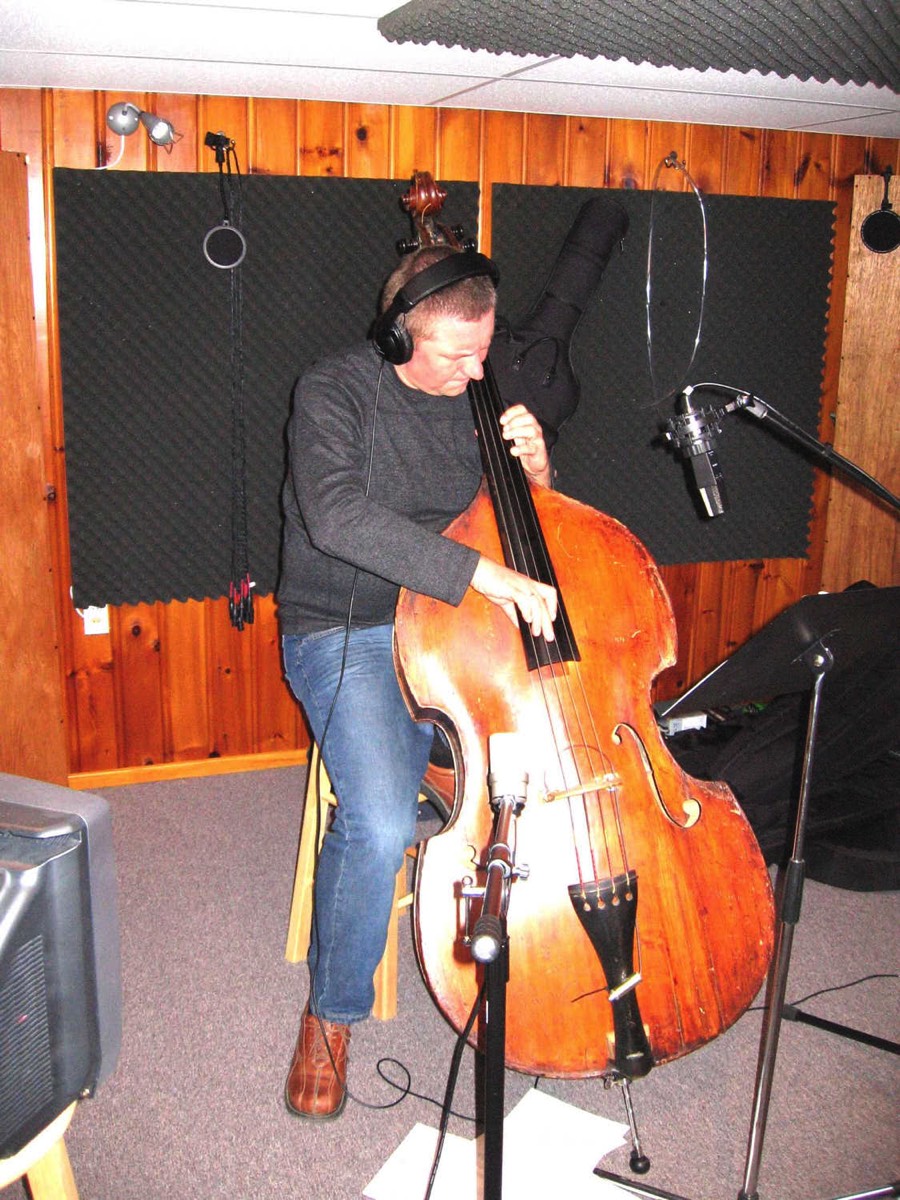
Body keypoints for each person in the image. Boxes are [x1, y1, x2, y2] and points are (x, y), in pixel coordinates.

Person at [277, 244, 557, 1120]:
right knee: (384, 816)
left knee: (542, 766)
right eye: (457, 356)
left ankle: (554, 964)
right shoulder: (333, 392)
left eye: (486, 350)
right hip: (345, 626)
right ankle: (331, 1017)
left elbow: (526, 534)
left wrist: (537, 474)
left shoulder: (480, 400)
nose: (480, 371)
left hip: (451, 626)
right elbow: (335, 515)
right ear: (402, 339)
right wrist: (481, 578)